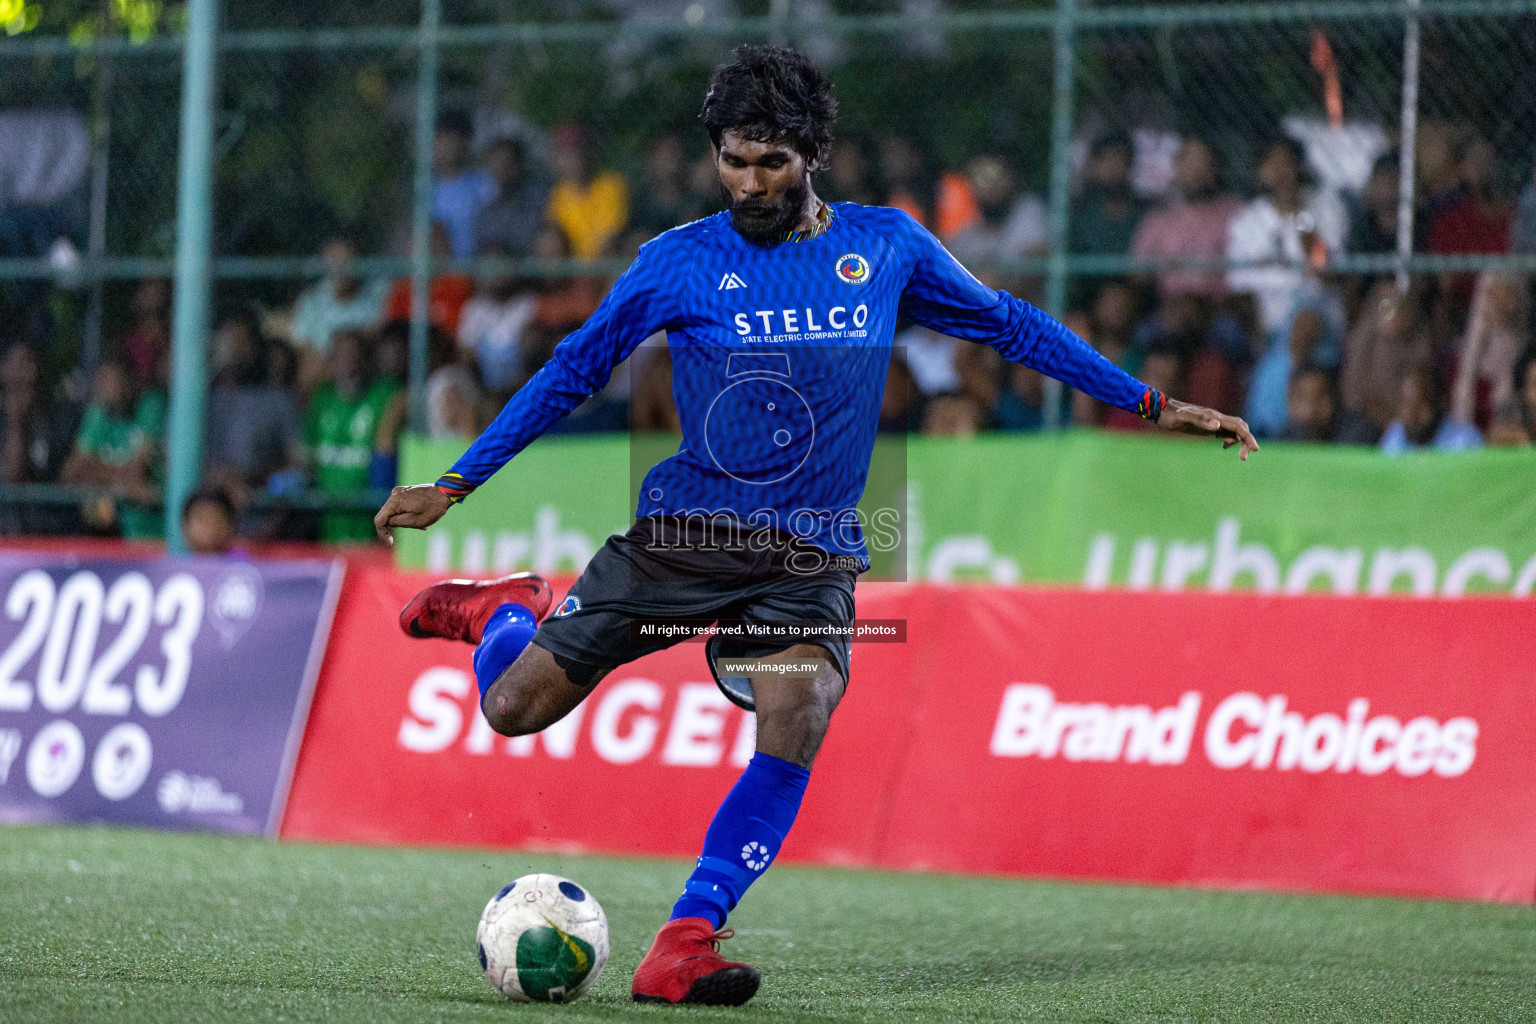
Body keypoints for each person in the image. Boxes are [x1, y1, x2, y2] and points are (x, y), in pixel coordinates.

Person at [372, 46, 1256, 1008]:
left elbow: (1012, 326)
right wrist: (457, 484)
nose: (749, 182)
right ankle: (504, 614)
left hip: (809, 560)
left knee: (799, 713)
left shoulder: (888, 247)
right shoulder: (676, 262)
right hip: (683, 539)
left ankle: (683, 943)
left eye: (771, 163)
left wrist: (1148, 401)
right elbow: (570, 373)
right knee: (512, 710)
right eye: (733, 161)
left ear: (812, 154)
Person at [303, 329, 401, 542]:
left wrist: (387, 427)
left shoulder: (383, 392)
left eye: (355, 353)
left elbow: (408, 396)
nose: (349, 360)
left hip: (369, 514)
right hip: (328, 515)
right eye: (342, 354)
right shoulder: (321, 398)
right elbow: (305, 454)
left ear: (366, 359)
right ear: (331, 360)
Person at [59, 359, 165, 537]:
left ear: (131, 380)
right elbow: (71, 473)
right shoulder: (100, 412)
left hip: (155, 529)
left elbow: (135, 474)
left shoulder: (151, 404)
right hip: (113, 530)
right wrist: (120, 482)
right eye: (104, 380)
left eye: (116, 379)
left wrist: (95, 470)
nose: (111, 387)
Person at [1129, 137, 1242, 301]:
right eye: (1189, 162)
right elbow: (1137, 273)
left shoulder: (1235, 212)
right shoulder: (1159, 218)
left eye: (1202, 163)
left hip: (1221, 307)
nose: (1195, 171)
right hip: (1171, 310)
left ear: (1214, 168)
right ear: (1177, 167)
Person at [289, 238, 390, 374]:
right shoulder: (310, 302)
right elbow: (302, 348)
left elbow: (376, 337)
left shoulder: (379, 295)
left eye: (347, 260)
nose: (340, 267)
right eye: (334, 260)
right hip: (322, 373)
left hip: (366, 372)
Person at [545, 125, 629, 260]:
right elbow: (555, 240)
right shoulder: (557, 195)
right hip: (569, 269)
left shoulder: (611, 185)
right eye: (565, 154)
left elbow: (610, 237)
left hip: (602, 266)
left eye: (576, 152)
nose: (572, 160)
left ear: (588, 153)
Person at [431, 116, 497, 261]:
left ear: (466, 144)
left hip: (473, 269)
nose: (447, 146)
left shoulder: (484, 183)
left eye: (453, 140)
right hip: (437, 272)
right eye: (442, 139)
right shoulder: (425, 190)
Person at [1379, 364, 1482, 454]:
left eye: (1409, 402)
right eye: (1404, 403)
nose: (1403, 412)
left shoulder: (1464, 440)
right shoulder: (1397, 433)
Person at [475, 137, 548, 259]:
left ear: (519, 165)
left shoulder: (539, 200)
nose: (501, 168)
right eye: (496, 162)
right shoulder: (486, 213)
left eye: (507, 161)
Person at [181, 486, 239, 555]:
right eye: (201, 519)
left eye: (216, 520)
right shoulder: (174, 563)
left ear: (230, 526)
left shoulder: (243, 564)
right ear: (185, 525)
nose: (208, 527)